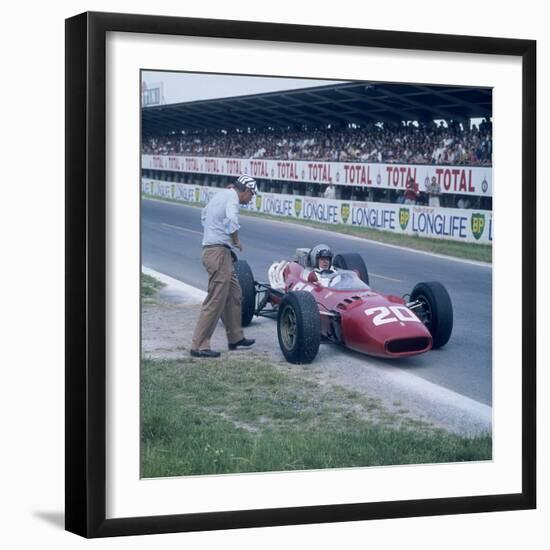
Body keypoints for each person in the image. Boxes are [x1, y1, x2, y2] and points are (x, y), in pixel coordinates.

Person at [190, 175, 257, 358]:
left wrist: (216, 236)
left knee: (235, 293)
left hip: (218, 250)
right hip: (217, 253)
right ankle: (199, 345)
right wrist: (235, 241)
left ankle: (235, 337)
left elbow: (204, 215)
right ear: (246, 190)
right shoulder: (232, 199)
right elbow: (232, 221)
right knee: (216, 300)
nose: (251, 199)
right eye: (252, 195)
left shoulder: (221, 194)